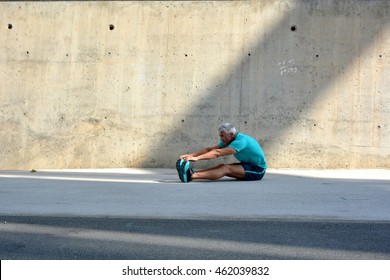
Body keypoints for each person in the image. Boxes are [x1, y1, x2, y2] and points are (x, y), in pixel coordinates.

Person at [176, 123, 267, 182]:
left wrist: (197, 158)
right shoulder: (230, 140)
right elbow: (209, 149)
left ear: (231, 134)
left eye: (223, 136)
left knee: (225, 169)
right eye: (220, 136)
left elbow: (218, 153)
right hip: (247, 164)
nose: (221, 139)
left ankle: (191, 176)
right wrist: (190, 155)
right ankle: (192, 173)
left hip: (257, 170)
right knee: (221, 166)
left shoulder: (241, 141)